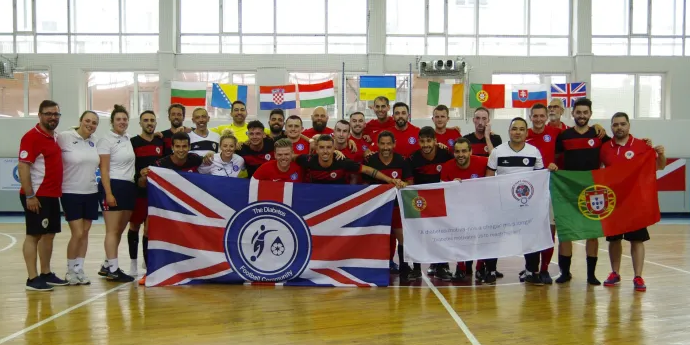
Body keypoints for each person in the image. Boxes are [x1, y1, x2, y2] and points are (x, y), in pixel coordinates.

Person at [599, 112, 666, 292]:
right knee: (614, 240)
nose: (619, 127)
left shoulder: (642, 146)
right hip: (613, 202)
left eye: (622, 124)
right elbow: (598, 172)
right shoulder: (604, 148)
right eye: (615, 125)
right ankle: (615, 273)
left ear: (629, 126)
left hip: (635, 202)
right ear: (611, 127)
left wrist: (660, 155)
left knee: (637, 240)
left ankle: (638, 276)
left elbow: (658, 167)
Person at [487, 117, 551, 285]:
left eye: (521, 129)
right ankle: (490, 270)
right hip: (502, 205)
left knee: (530, 238)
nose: (517, 132)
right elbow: (488, 179)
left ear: (526, 132)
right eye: (514, 129)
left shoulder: (534, 152)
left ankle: (531, 271)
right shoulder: (497, 152)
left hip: (526, 205)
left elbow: (540, 179)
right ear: (509, 131)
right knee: (495, 237)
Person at [553, 97, 611, 285]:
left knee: (592, 233)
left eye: (586, 113)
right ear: (573, 113)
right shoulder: (564, 136)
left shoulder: (599, 134)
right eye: (579, 112)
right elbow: (555, 158)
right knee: (566, 233)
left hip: (593, 191)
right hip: (567, 190)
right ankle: (565, 273)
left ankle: (591, 275)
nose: (582, 116)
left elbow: (617, 145)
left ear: (590, 114)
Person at [18, 100, 69, 291]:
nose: (52, 117)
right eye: (48, 114)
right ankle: (32, 278)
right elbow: (23, 166)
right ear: (39, 115)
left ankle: (46, 273)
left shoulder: (55, 137)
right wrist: (30, 195)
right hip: (37, 196)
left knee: (49, 235)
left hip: (52, 195)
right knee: (34, 235)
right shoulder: (31, 137)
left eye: (56, 114)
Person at [57, 110, 101, 286]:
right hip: (70, 191)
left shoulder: (95, 142)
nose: (90, 125)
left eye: (94, 123)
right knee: (77, 232)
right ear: (80, 121)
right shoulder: (65, 137)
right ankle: (69, 270)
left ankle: (79, 269)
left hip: (91, 191)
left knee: (86, 233)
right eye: (87, 121)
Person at [363, 131, 414, 277]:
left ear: (394, 144)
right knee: (376, 235)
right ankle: (375, 264)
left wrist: (403, 184)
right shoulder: (370, 161)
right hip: (377, 207)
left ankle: (404, 266)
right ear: (377, 144)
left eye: (388, 144)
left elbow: (410, 183)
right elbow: (364, 184)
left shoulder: (402, 161)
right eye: (383, 144)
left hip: (397, 205)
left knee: (400, 235)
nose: (386, 147)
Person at [407, 126, 454, 281]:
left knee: (440, 234)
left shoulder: (445, 154)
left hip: (440, 200)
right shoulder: (413, 159)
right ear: (418, 142)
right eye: (422, 141)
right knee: (417, 234)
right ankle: (416, 268)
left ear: (435, 141)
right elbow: (409, 184)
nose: (425, 144)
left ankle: (441, 266)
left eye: (429, 141)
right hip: (418, 201)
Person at [96, 105, 137, 282]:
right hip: (113, 185)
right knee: (112, 231)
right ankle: (113, 269)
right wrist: (108, 193)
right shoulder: (106, 140)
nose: (122, 122)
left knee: (119, 230)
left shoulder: (127, 138)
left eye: (125, 119)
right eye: (118, 119)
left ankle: (106, 265)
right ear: (112, 121)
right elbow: (103, 169)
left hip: (128, 186)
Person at [439, 137, 489, 282]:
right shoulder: (447, 166)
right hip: (458, 209)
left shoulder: (483, 162)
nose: (460, 155)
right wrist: (450, 186)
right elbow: (441, 190)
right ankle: (460, 268)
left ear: (470, 152)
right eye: (457, 152)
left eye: (464, 151)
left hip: (479, 207)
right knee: (460, 238)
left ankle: (480, 268)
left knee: (480, 239)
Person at [525, 103, 563, 284]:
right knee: (529, 230)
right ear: (530, 116)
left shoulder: (556, 133)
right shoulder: (524, 135)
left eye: (542, 116)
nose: (539, 119)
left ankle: (545, 269)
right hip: (528, 192)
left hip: (550, 189)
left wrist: (597, 127)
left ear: (546, 116)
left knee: (549, 230)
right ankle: (530, 268)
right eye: (535, 116)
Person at [127, 111, 165, 277]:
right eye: (146, 120)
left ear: (156, 123)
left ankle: (147, 263)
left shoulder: (160, 141)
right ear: (140, 123)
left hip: (154, 192)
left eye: (152, 120)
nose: (149, 123)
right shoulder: (133, 142)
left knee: (149, 230)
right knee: (134, 226)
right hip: (137, 192)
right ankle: (133, 263)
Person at [296, 135, 405, 187]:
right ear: (316, 149)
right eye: (322, 148)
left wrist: (390, 180)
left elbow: (368, 170)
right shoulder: (308, 160)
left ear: (334, 148)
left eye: (329, 147)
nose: (325, 151)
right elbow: (291, 157)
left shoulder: (342, 161)